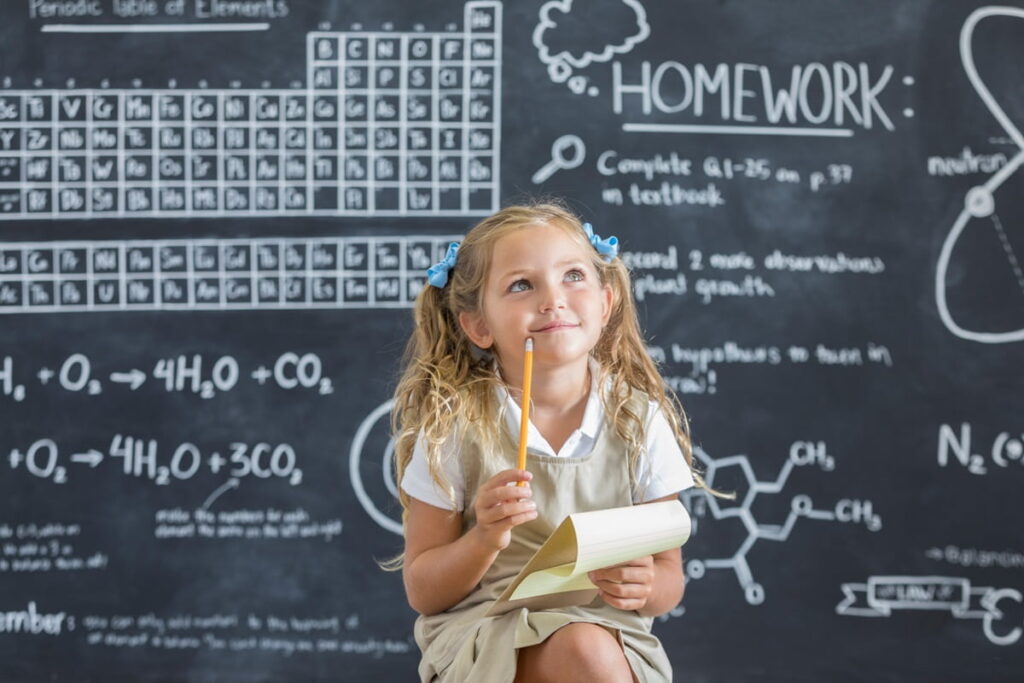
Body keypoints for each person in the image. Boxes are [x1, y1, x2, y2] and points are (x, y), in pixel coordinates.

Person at [390, 202, 714, 682]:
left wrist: (643, 586)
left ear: (605, 305)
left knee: (587, 644)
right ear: (479, 325)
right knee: (582, 648)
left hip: (609, 630)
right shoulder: (455, 426)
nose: (553, 300)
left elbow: (669, 579)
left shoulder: (637, 419)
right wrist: (483, 539)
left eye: (573, 277)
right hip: (486, 635)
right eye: (522, 285)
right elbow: (424, 592)